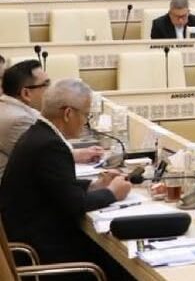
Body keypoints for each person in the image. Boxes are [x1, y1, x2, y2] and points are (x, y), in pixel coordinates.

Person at [0, 79, 132, 279]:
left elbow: (56, 186)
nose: (85, 122)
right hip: (44, 252)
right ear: (68, 113)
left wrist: (96, 185)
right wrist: (112, 193)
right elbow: (76, 205)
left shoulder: (38, 134)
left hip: (31, 240)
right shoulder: (50, 146)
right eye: (85, 115)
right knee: (121, 268)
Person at [0, 61, 104, 180]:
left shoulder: (11, 108)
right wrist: (79, 154)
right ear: (26, 93)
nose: (51, 90)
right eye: (46, 85)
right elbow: (46, 156)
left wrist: (80, 153)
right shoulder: (19, 119)